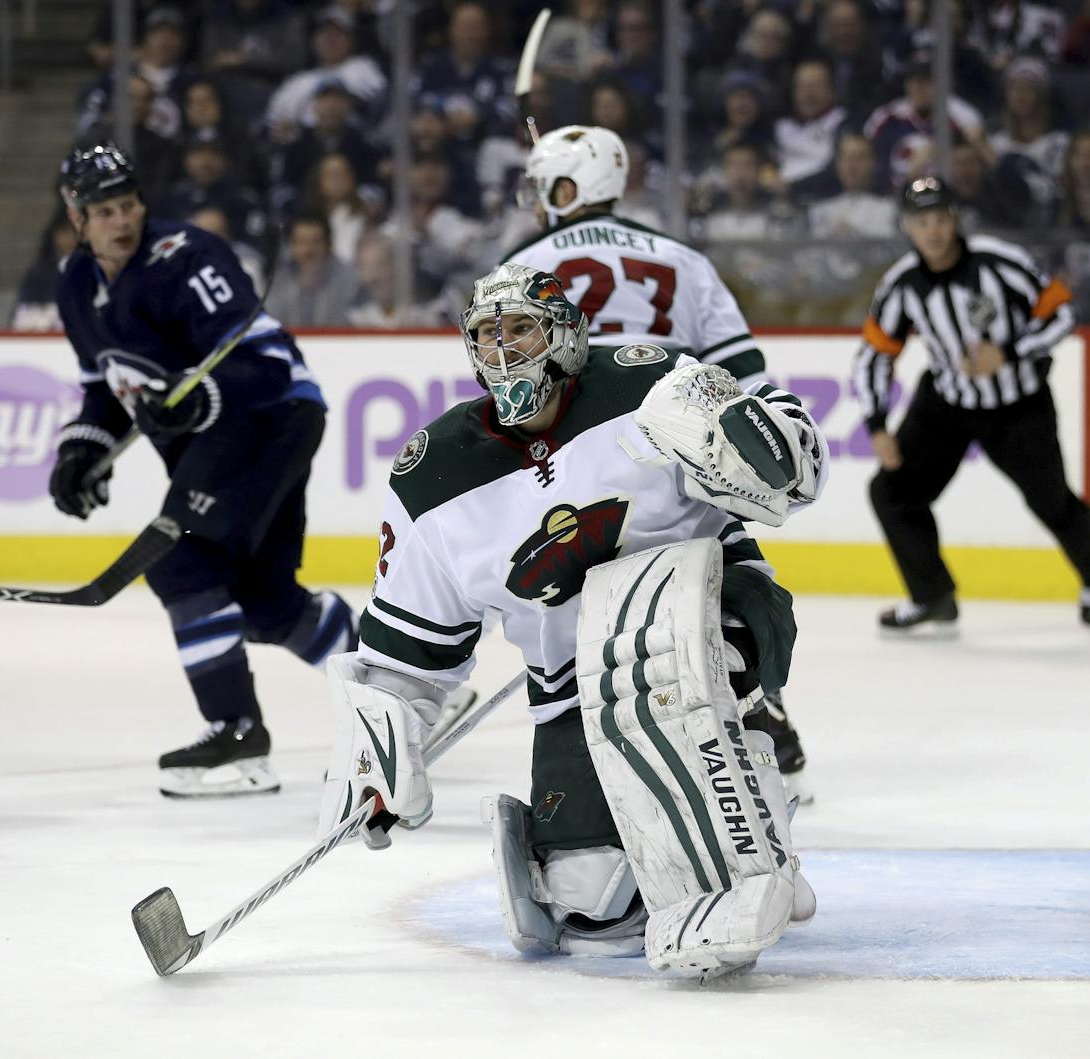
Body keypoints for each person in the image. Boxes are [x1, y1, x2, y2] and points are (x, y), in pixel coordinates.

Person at [318, 262, 825, 977]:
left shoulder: (656, 382)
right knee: (592, 909)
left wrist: (768, 450)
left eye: (521, 328)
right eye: (486, 335)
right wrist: (379, 759)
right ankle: (656, 856)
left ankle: (752, 845)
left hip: (713, 610)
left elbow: (789, 466)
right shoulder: (429, 479)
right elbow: (406, 658)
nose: (503, 350)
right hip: (575, 679)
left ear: (564, 333)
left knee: (665, 667)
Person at [502, 124, 811, 794]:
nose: (535, 200)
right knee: (725, 563)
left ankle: (593, 752)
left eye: (543, 185)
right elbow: (748, 380)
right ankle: (762, 717)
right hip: (679, 435)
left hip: (582, 449)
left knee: (580, 599)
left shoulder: (522, 264)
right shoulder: (684, 258)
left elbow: (505, 382)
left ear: (566, 187)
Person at [50, 143, 356, 797]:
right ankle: (405, 689)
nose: (121, 219)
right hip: (225, 439)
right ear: (78, 219)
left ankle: (237, 733)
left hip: (269, 416)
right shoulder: (74, 286)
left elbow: (262, 363)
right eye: (104, 210)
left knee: (183, 563)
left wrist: (197, 392)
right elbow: (104, 389)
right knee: (265, 604)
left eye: (128, 203)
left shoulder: (186, 256)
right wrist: (82, 448)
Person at [856, 175, 1090, 633]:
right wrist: (877, 425)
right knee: (891, 492)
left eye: (940, 218)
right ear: (907, 228)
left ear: (954, 219)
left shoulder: (1000, 262)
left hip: (1018, 406)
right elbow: (875, 354)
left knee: (1050, 501)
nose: (933, 231)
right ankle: (932, 596)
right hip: (946, 406)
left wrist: (1010, 351)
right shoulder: (901, 285)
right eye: (921, 222)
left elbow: (1062, 312)